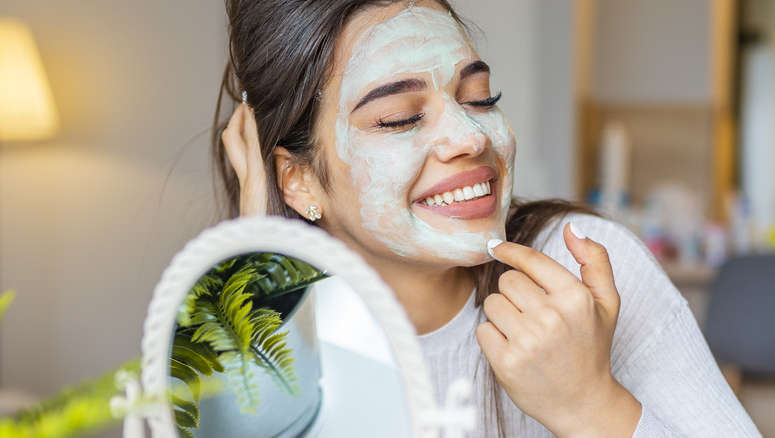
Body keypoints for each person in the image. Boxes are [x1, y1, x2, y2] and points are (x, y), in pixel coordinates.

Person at [213, 0, 761, 436]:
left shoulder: (583, 271)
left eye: (478, 97)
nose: (472, 137)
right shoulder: (250, 330)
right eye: (400, 119)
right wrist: (255, 271)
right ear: (298, 180)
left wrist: (591, 407)